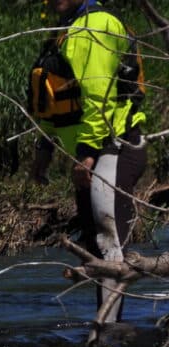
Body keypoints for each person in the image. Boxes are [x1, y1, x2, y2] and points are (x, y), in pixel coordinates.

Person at [30, 0, 147, 321]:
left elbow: (99, 95)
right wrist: (45, 147)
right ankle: (106, 327)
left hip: (114, 147)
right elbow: (57, 97)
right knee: (98, 246)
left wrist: (87, 156)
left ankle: (107, 331)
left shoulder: (96, 25)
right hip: (90, 152)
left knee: (108, 241)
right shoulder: (63, 31)